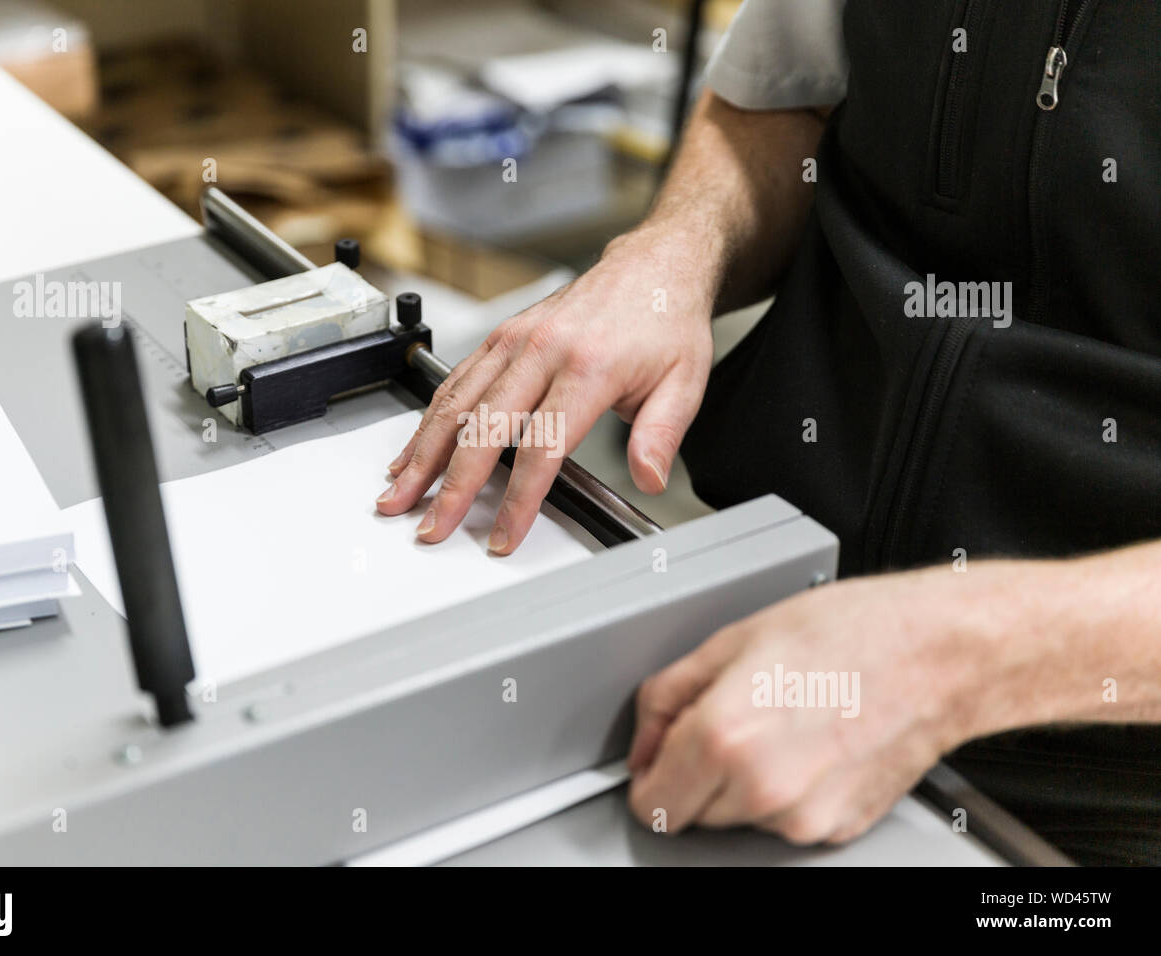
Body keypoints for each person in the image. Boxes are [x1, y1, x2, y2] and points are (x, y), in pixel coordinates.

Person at [375, 0, 1161, 864]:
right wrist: (675, 251)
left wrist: (958, 656)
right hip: (777, 622)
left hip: (1104, 781)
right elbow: (790, 96)